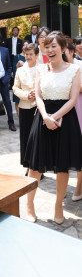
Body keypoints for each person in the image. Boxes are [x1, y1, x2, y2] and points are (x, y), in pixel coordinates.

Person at [24, 31, 82, 224]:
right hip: (42, 117)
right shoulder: (40, 69)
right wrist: (46, 117)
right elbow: (38, 95)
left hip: (65, 118)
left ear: (63, 48)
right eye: (46, 46)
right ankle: (29, 205)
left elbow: (73, 99)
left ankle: (58, 206)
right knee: (35, 166)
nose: (49, 50)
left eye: (53, 46)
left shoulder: (74, 70)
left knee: (62, 166)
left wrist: (55, 117)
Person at [12, 43, 39, 166]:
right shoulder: (20, 70)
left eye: (31, 54)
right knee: (26, 137)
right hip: (25, 106)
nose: (28, 57)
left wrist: (37, 93)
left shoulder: (43, 68)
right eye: (26, 54)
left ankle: (39, 166)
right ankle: (28, 165)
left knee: (38, 138)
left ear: (37, 55)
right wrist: (26, 95)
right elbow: (15, 88)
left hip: (39, 107)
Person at [64, 38, 82, 201]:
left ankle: (79, 186)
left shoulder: (78, 66)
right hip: (66, 108)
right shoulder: (59, 67)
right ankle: (63, 186)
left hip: (79, 106)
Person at [0, 32, 16, 131]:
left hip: (4, 81)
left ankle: (11, 123)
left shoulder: (5, 50)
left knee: (7, 102)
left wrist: (8, 77)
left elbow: (9, 66)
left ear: (0, 40)